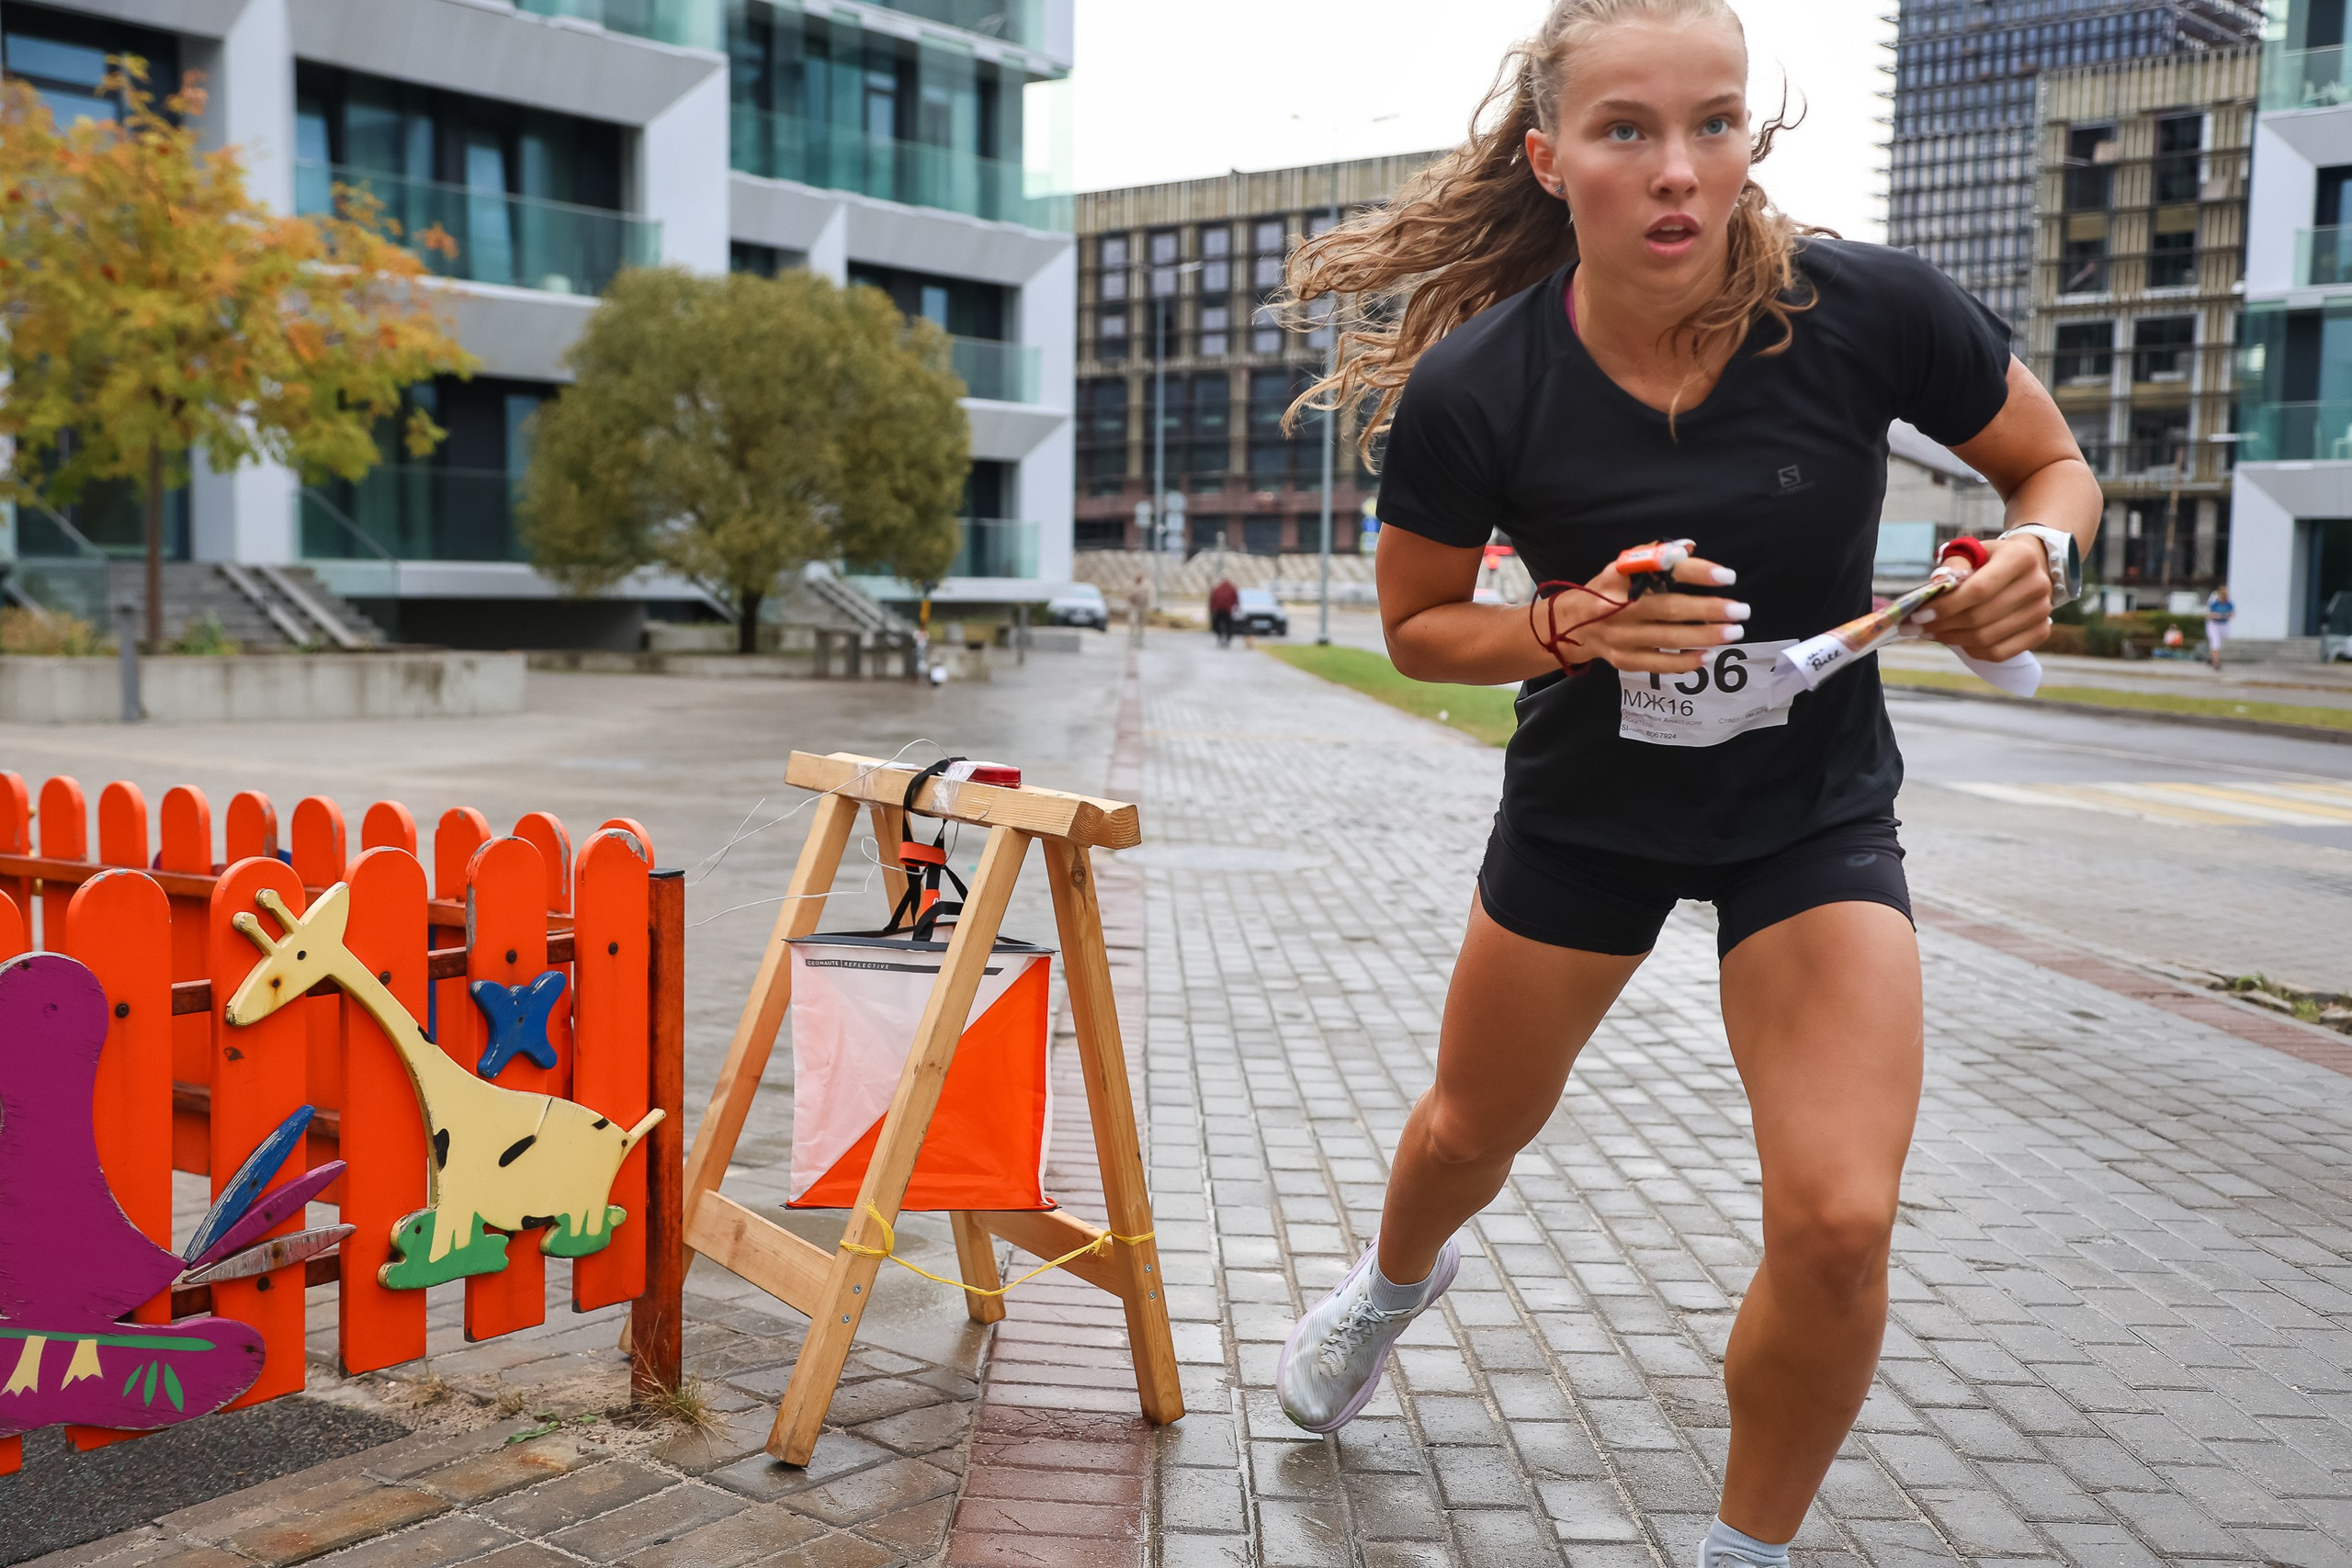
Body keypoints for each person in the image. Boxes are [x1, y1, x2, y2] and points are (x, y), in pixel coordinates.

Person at [1267, 5, 2099, 1566]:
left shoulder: (1867, 312)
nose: (1676, 168)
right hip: (1590, 815)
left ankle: (1745, 1550)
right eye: (1627, 130)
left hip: (1812, 812)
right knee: (1465, 1131)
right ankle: (1390, 1287)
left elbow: (2050, 468)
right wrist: (1566, 624)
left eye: (1714, 124)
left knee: (1842, 1221)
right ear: (1550, 158)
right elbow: (1420, 626)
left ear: (1751, 142)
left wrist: (2035, 556)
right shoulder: (1481, 389)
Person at [2206, 583, 2233, 671]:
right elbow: (2208, 614)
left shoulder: (2229, 604)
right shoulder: (2214, 603)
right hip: (2214, 625)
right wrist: (2215, 615)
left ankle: (2212, 657)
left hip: (2223, 625)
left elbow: (2232, 614)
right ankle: (2217, 662)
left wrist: (2225, 615)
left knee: (2218, 644)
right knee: (2215, 643)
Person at [1209, 576, 1240, 647]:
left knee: (1229, 626)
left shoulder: (1232, 589)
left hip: (1228, 611)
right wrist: (1212, 609)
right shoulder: (1217, 589)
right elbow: (1212, 599)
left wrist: (1236, 608)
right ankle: (1221, 637)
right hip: (1219, 610)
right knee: (1216, 626)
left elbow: (1236, 599)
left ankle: (1227, 639)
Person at [1126, 572, 1152, 649]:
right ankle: (1131, 640)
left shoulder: (1146, 585)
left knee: (1141, 625)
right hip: (1133, 607)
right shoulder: (1130, 585)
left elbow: (1149, 597)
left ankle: (1140, 640)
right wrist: (1132, 596)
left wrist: (1148, 606)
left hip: (1142, 607)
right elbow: (1126, 595)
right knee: (1132, 622)